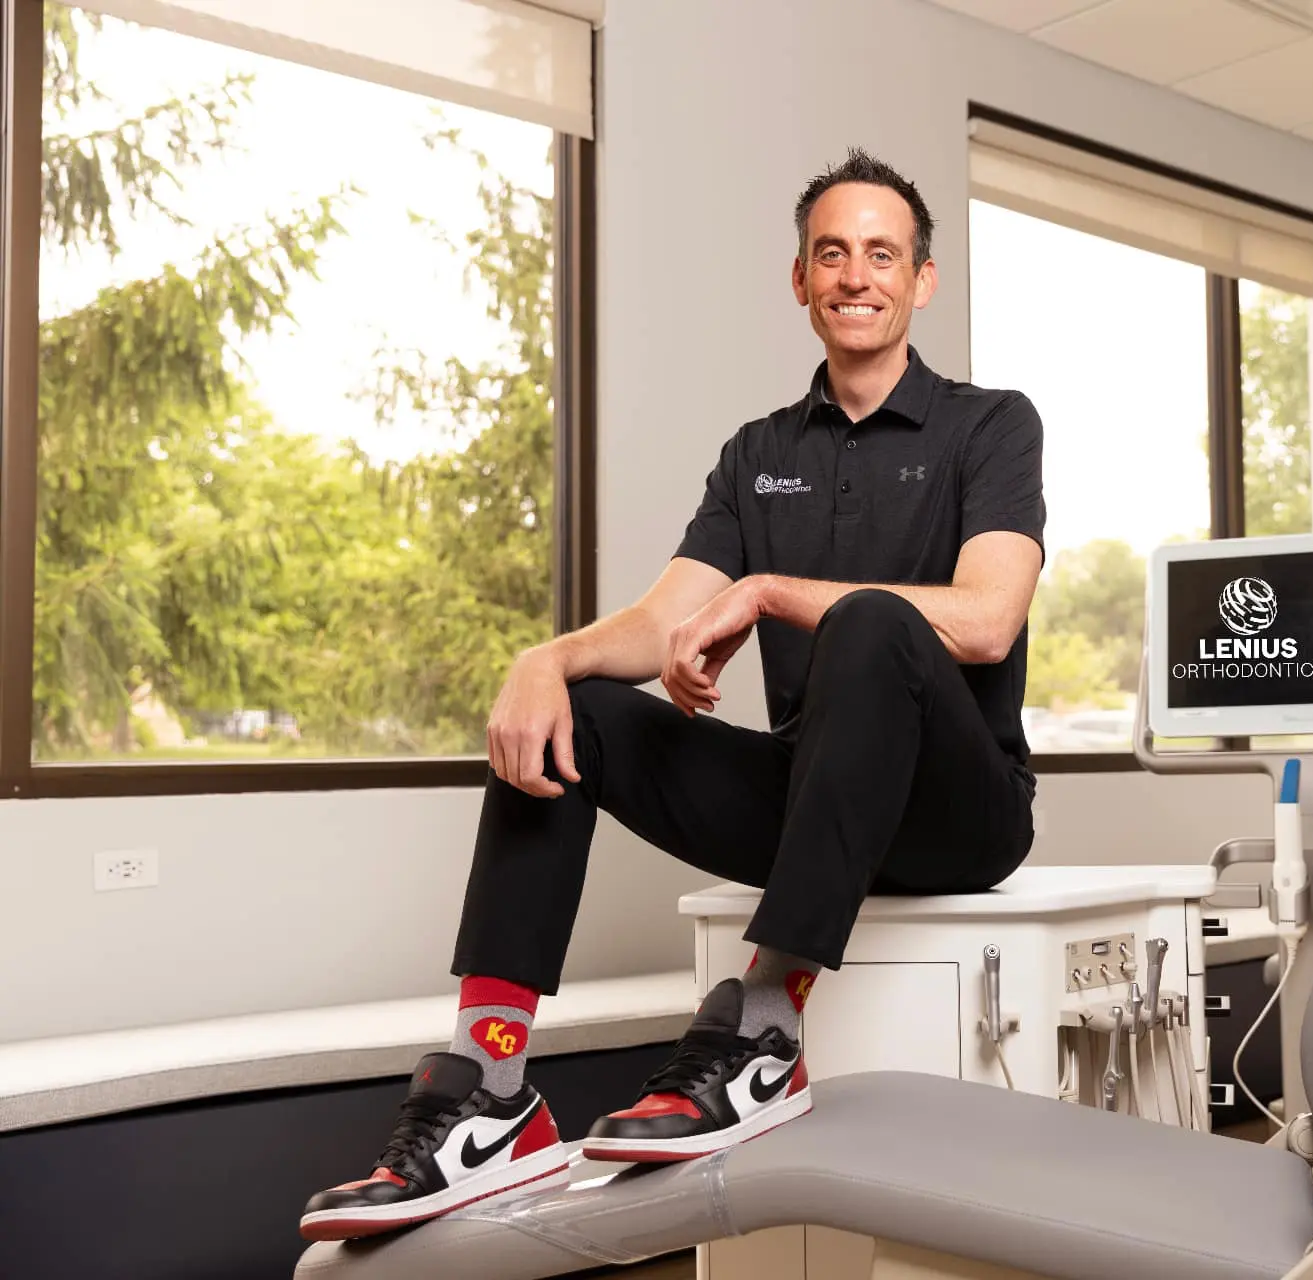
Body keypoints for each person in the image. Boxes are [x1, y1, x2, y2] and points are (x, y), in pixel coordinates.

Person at [299, 149, 1047, 1242]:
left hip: (957, 813)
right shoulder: (759, 453)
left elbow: (986, 619)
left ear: (921, 279)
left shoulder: (991, 425)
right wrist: (545, 659)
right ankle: (490, 1092)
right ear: (800, 279)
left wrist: (772, 592)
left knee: (872, 619)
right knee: (578, 710)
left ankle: (763, 1030)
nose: (856, 275)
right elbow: (660, 625)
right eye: (831, 253)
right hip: (815, 802)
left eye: (882, 254)